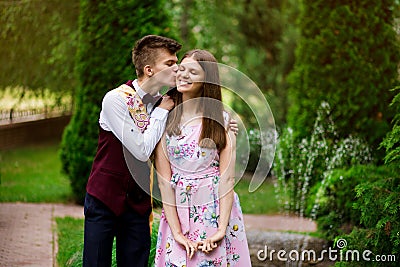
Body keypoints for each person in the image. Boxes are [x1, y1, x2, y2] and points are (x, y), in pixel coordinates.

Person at [83, 35, 181, 267]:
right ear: (149, 69)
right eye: (169, 63)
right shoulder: (115, 100)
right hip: (104, 198)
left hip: (138, 203)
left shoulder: (167, 102)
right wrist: (161, 112)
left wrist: (226, 126)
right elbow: (141, 150)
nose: (177, 68)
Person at [154, 49, 252, 266]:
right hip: (178, 210)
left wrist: (221, 228)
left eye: (193, 72)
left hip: (216, 208)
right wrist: (177, 233)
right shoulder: (164, 118)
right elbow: (164, 181)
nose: (183, 75)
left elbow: (226, 179)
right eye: (182, 69)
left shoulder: (221, 121)